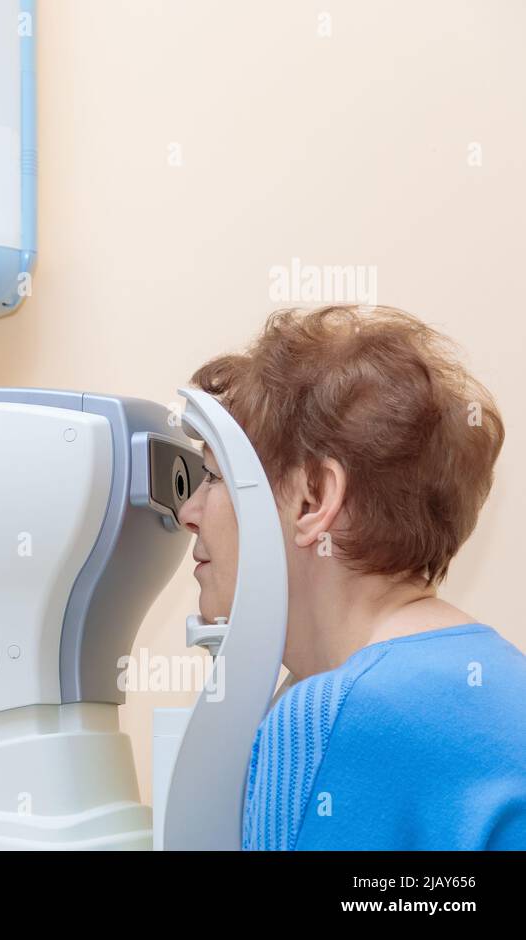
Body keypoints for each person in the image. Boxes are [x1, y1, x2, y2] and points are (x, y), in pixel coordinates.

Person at [177, 304, 525, 849]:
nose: (188, 512)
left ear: (314, 498)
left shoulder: (332, 719)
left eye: (215, 476)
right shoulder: (504, 679)